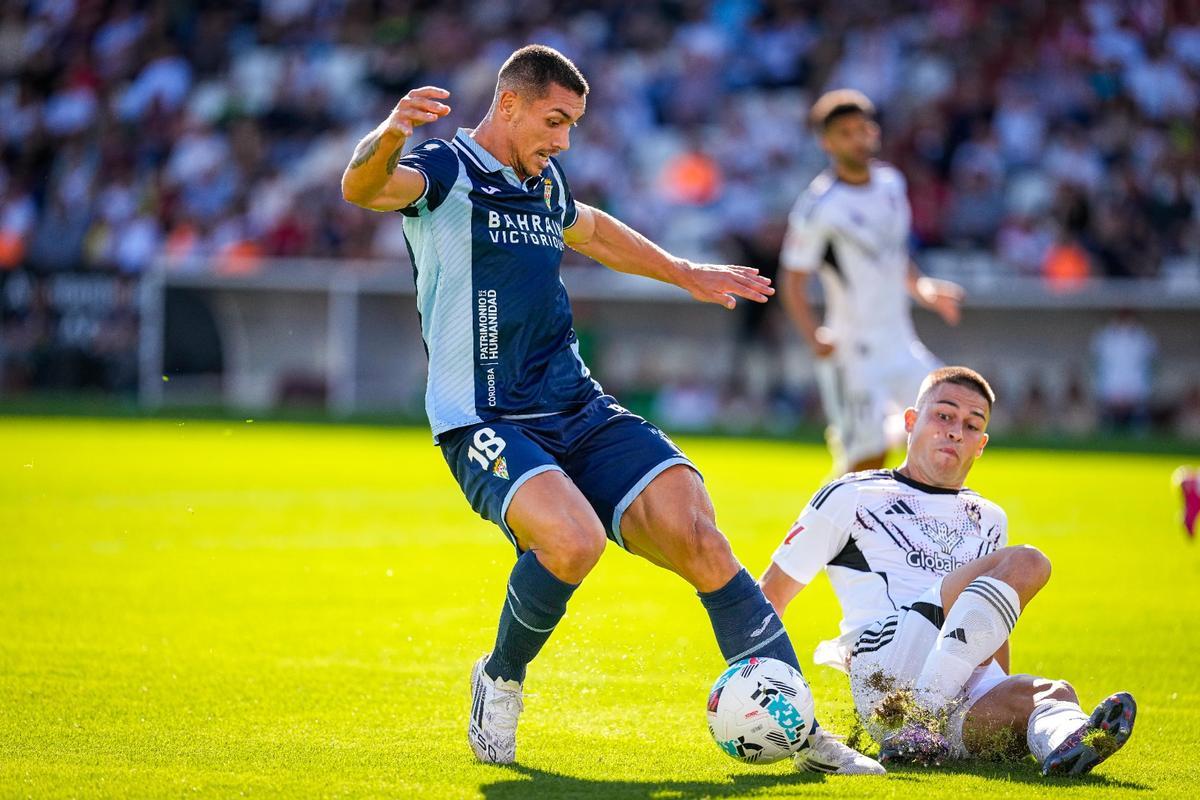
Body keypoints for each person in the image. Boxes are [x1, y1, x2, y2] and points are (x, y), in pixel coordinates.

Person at [340, 45, 880, 774]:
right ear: (509, 105)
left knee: (701, 536)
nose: (563, 140)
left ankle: (799, 723)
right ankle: (500, 678)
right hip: (484, 417)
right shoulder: (445, 169)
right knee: (573, 542)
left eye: (573, 126)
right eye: (554, 121)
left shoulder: (544, 180)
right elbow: (366, 188)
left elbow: (591, 230)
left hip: (577, 405)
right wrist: (389, 133)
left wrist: (683, 272)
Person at [758, 366, 1136, 775]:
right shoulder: (851, 494)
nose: (956, 431)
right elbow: (770, 596)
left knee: (1054, 695)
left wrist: (1000, 687)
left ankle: (1067, 744)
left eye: (972, 425)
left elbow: (990, 622)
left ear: (981, 445)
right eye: (944, 415)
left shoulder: (989, 516)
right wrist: (774, 695)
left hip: (951, 690)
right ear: (909, 421)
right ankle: (920, 722)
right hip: (886, 674)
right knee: (1028, 560)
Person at [779, 90, 965, 475]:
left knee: (953, 415)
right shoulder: (818, 208)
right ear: (826, 142)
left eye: (863, 129)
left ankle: (900, 455)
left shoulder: (891, 185)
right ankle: (823, 531)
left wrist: (925, 289)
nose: (857, 139)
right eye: (845, 133)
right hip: (853, 350)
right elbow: (792, 280)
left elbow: (894, 256)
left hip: (900, 340)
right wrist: (815, 337)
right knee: (865, 461)